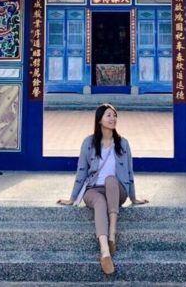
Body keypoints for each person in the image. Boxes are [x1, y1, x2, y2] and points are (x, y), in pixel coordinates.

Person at [57, 103, 148, 275]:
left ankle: (112, 231)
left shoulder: (123, 143)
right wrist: (72, 198)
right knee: (99, 201)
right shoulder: (89, 143)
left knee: (111, 180)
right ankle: (105, 250)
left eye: (115, 115)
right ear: (99, 120)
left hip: (116, 190)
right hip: (93, 189)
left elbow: (129, 172)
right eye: (109, 115)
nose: (113, 118)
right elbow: (81, 171)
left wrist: (133, 198)